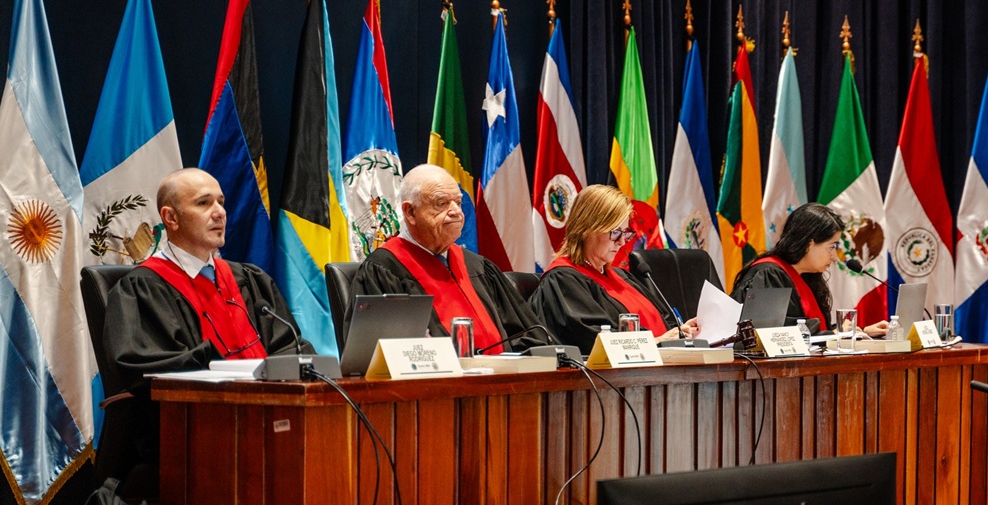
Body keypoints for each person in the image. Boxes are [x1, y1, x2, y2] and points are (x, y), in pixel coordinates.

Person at [104, 168, 313, 481]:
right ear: (171, 218)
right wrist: (217, 364)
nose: (219, 213)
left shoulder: (250, 280)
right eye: (203, 203)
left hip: (269, 424)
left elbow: (289, 345)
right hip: (189, 440)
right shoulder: (143, 289)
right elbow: (144, 367)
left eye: (221, 202)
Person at [347, 164, 551, 353]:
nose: (456, 212)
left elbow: (531, 336)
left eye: (458, 202)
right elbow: (381, 356)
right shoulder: (384, 270)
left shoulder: (477, 267)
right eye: (441, 203)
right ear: (410, 212)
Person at [532, 184, 699, 350]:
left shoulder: (623, 277)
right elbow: (592, 339)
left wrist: (682, 332)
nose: (622, 242)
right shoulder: (563, 280)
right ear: (587, 229)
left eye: (625, 233)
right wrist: (656, 342)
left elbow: (663, 323)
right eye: (615, 232)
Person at [730, 202, 888, 336]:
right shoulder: (769, 274)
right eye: (832, 247)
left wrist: (860, 332)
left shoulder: (808, 277)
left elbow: (815, 331)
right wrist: (836, 334)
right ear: (809, 244)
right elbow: (775, 335)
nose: (834, 257)